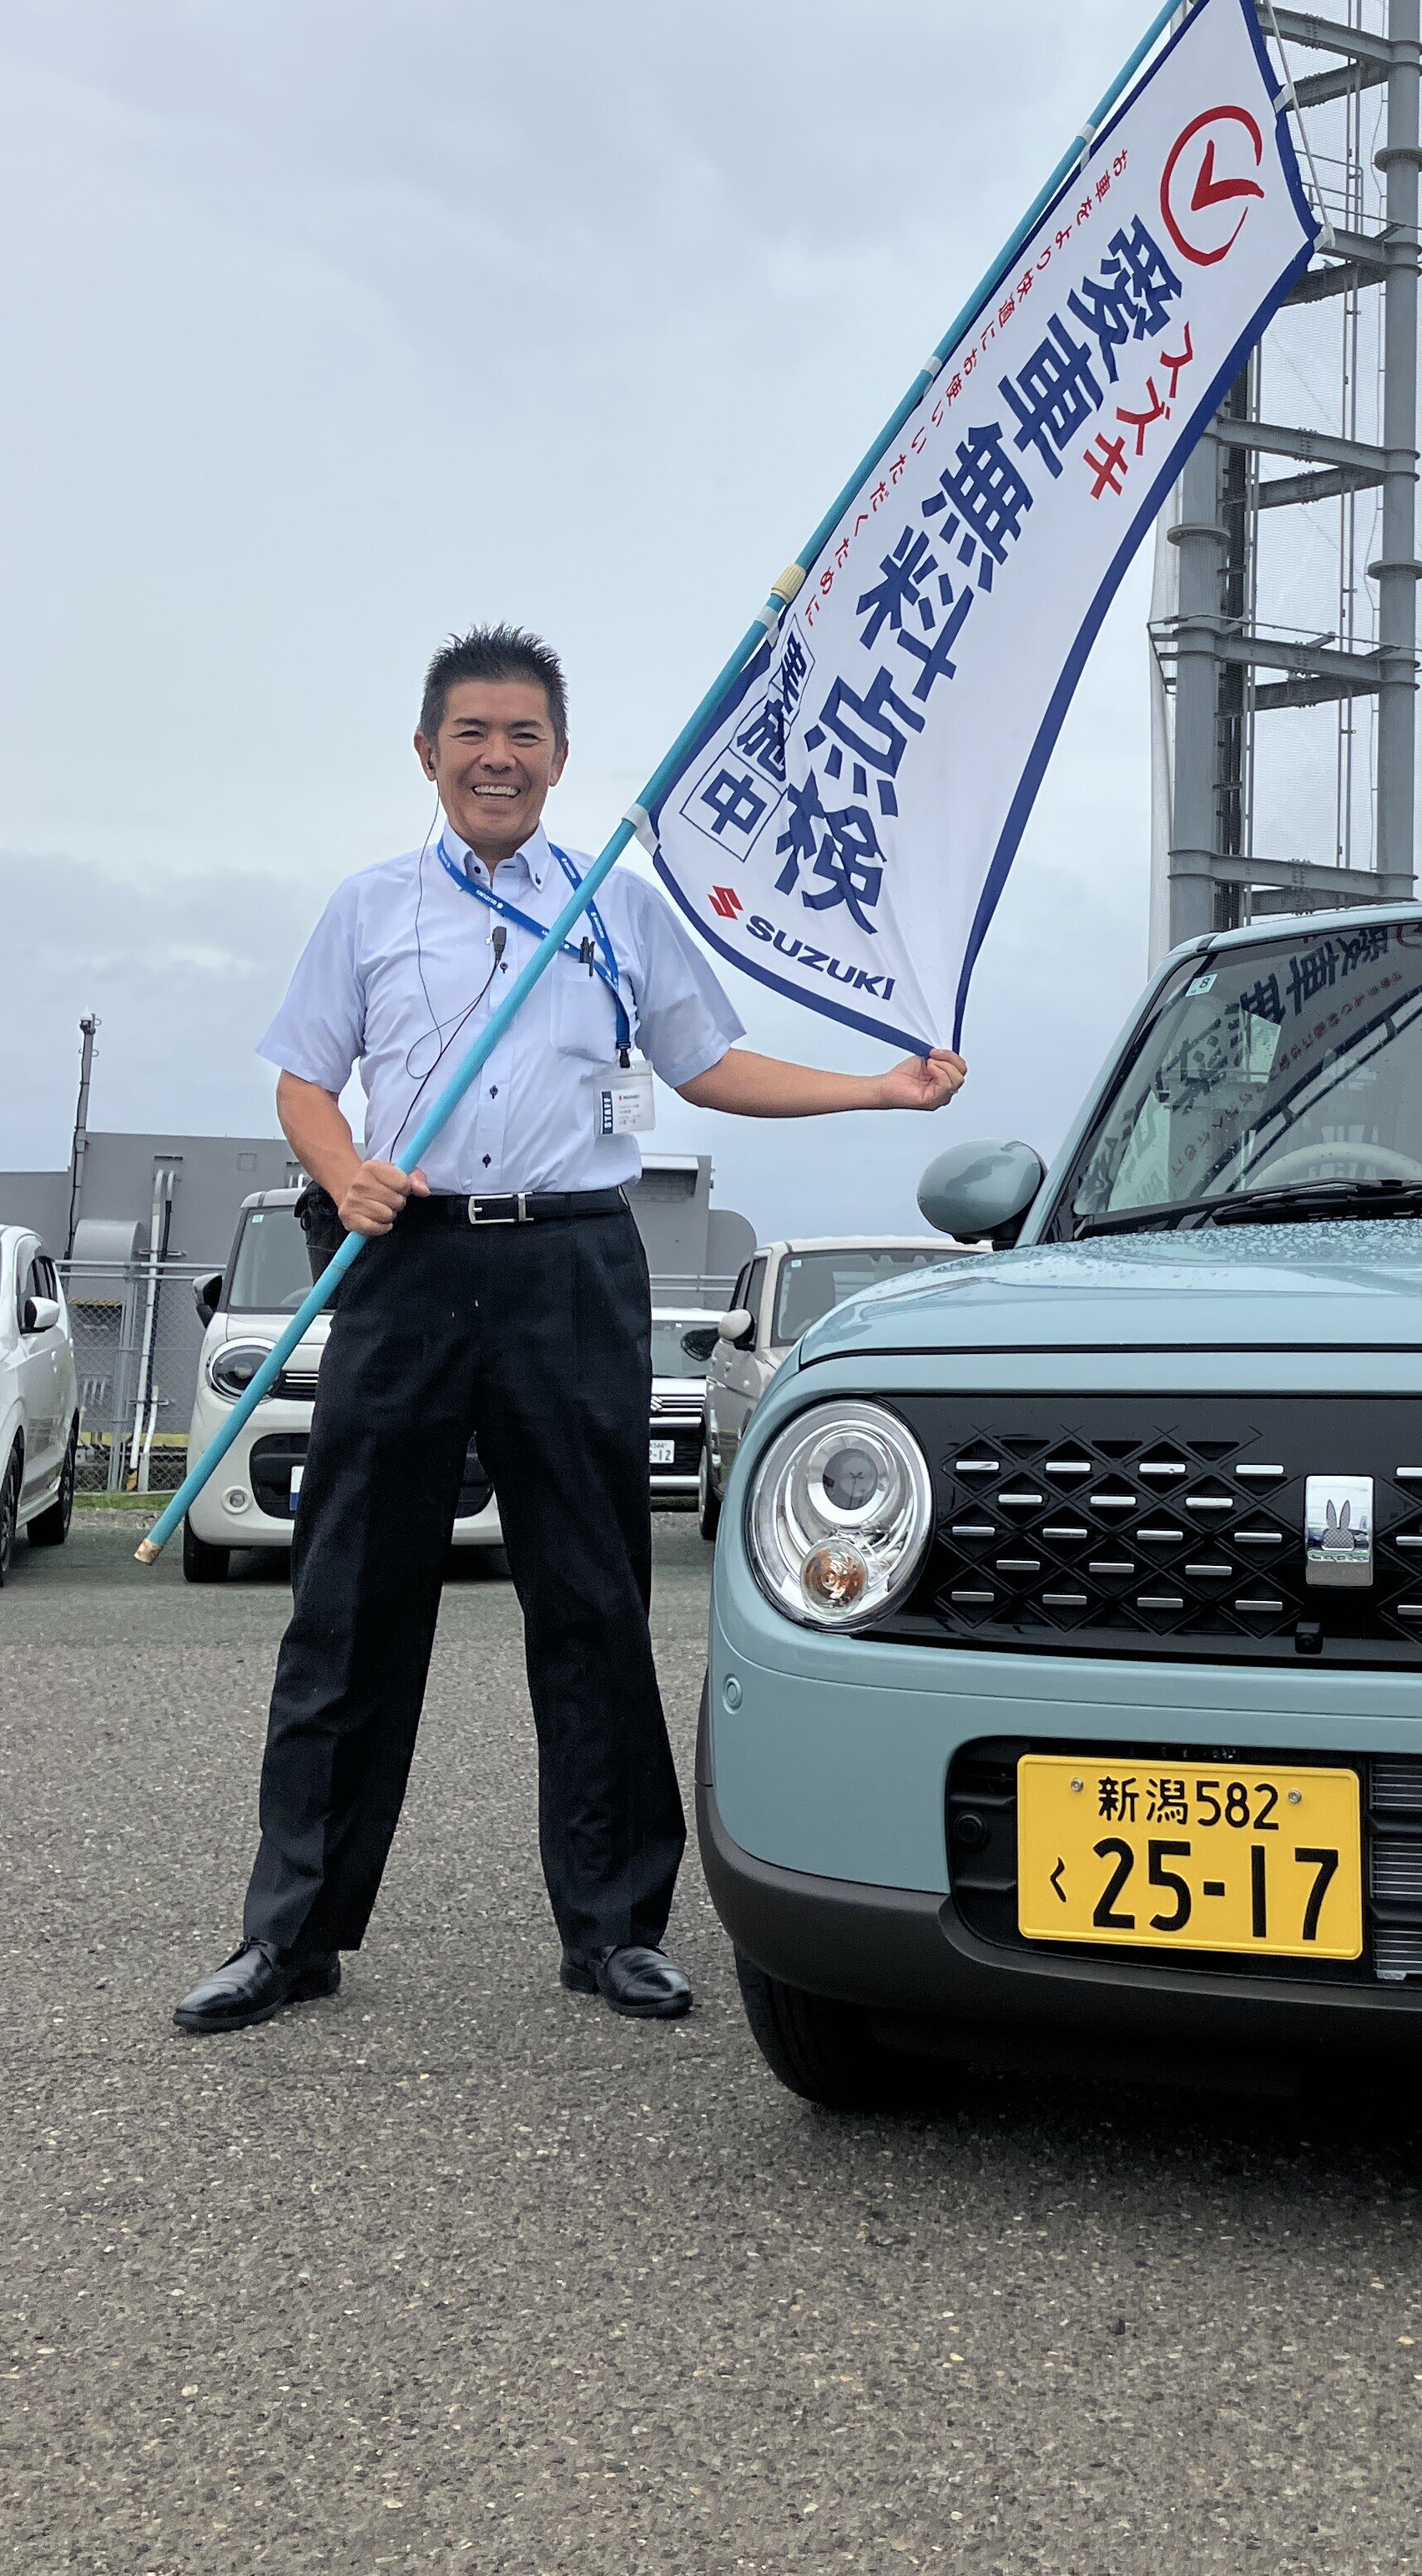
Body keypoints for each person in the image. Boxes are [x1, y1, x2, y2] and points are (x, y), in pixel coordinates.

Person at [174, 624, 963, 2036]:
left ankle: (613, 1930)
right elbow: (302, 1077)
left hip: (574, 1265)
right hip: (407, 1262)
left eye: (524, 736)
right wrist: (342, 1169)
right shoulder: (368, 907)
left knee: (593, 1598)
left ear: (560, 757)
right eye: (473, 735)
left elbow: (708, 1065)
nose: (499, 758)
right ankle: (290, 1933)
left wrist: (877, 1089)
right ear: (428, 754)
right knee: (349, 1604)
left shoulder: (616, 904)